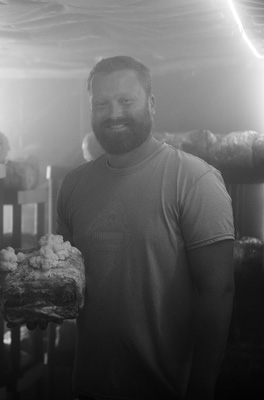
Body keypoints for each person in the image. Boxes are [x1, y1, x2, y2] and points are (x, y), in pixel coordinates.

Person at [56, 56, 235, 399]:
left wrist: (201, 388)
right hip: (89, 386)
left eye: (126, 101)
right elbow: (67, 278)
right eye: (102, 103)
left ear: (151, 105)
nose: (114, 113)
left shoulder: (194, 180)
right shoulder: (75, 185)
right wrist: (43, 303)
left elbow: (218, 290)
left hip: (165, 389)